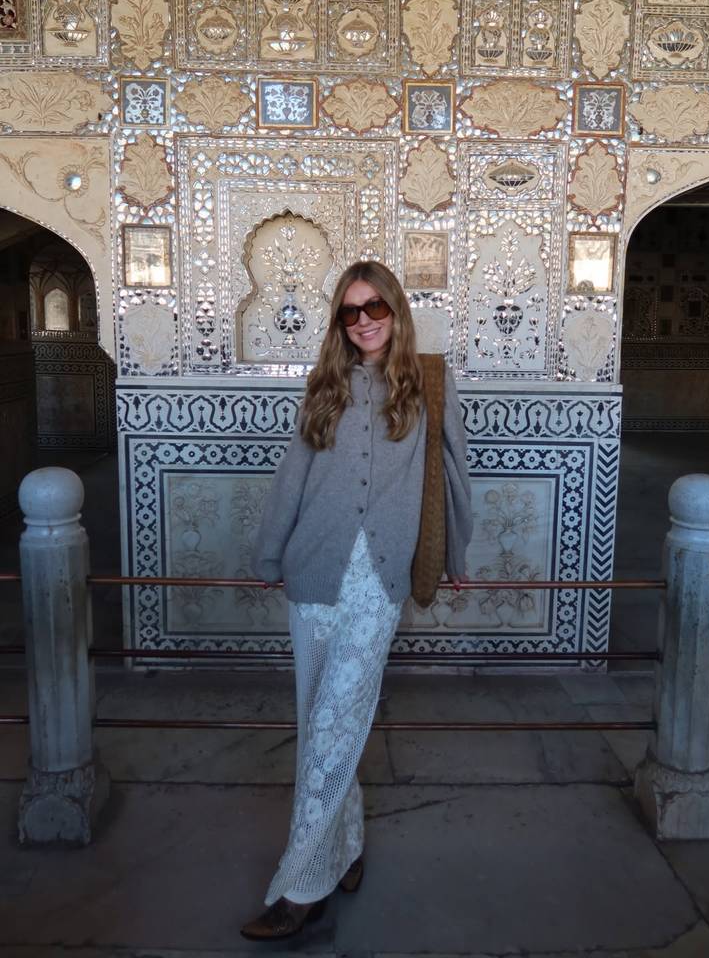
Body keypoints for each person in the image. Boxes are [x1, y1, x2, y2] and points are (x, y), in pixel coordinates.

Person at [241, 260, 473, 941]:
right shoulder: (327, 386)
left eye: (375, 306)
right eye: (350, 311)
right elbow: (294, 476)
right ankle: (347, 849)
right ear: (339, 323)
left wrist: (455, 555)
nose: (364, 320)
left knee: (338, 721)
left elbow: (453, 470)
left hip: (378, 580)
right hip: (313, 572)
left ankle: (303, 890)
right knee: (321, 721)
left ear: (395, 310)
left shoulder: (429, 383)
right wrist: (270, 554)